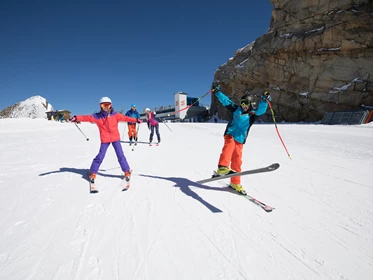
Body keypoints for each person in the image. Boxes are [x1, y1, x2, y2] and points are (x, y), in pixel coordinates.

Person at [211, 86, 271, 194]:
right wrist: (218, 93)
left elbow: (261, 109)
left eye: (246, 103)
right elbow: (226, 101)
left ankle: (235, 182)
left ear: (251, 105)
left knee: (237, 160)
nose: (244, 105)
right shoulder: (235, 109)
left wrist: (264, 100)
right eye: (242, 103)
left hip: (240, 139)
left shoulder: (252, 115)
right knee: (229, 145)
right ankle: (222, 167)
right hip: (231, 134)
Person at [69, 97, 142, 183]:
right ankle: (92, 172)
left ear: (111, 105)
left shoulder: (115, 115)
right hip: (105, 139)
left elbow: (126, 118)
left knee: (120, 155)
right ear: (101, 106)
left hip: (115, 138)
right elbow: (86, 117)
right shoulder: (97, 116)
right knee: (100, 156)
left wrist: (136, 120)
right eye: (104, 105)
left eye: (108, 105)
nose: (106, 107)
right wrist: (76, 118)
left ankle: (126, 171)